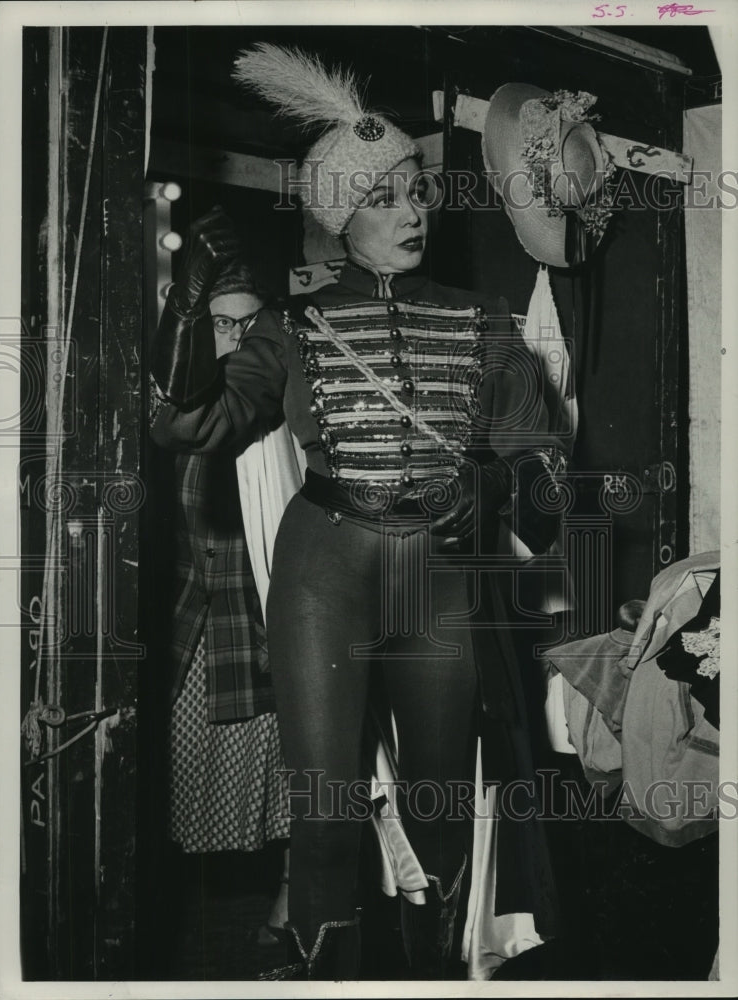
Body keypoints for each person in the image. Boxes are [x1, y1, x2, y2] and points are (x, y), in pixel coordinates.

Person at [150, 42, 565, 980]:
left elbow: (545, 465)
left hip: (437, 572)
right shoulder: (287, 328)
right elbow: (192, 423)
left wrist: (492, 489)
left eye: (415, 192)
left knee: (438, 796)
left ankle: (433, 968)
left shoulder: (483, 320)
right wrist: (186, 307)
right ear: (340, 216)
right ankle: (325, 968)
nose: (412, 212)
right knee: (326, 799)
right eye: (383, 197)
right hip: (322, 567)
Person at [156, 260, 290, 942]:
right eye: (221, 323)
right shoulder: (178, 412)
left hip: (261, 629)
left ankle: (289, 907)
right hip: (189, 627)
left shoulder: (276, 415)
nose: (237, 337)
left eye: (250, 323)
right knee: (172, 785)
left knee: (282, 782)